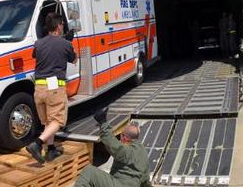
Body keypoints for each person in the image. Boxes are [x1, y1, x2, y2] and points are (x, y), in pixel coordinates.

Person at [25, 12, 77, 164]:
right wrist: (69, 44)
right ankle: (38, 144)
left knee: (48, 121)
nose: (62, 26)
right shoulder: (65, 44)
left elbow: (37, 55)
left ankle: (51, 149)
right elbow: (74, 60)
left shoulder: (39, 43)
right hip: (55, 88)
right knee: (58, 121)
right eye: (61, 24)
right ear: (59, 26)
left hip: (39, 88)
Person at [74, 108, 151, 187]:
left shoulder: (127, 151)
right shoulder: (143, 153)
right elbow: (145, 180)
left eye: (121, 135)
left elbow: (110, 142)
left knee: (89, 171)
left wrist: (103, 122)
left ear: (125, 138)